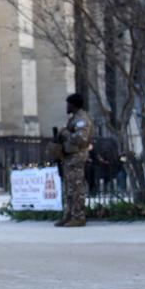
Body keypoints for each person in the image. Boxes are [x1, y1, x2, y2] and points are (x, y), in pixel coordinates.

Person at [55, 92, 93, 227]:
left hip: (77, 157)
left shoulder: (82, 119)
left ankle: (78, 217)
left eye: (68, 104)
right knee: (69, 188)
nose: (66, 106)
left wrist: (65, 133)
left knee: (76, 188)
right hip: (69, 157)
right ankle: (69, 214)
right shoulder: (74, 118)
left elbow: (81, 138)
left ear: (73, 105)